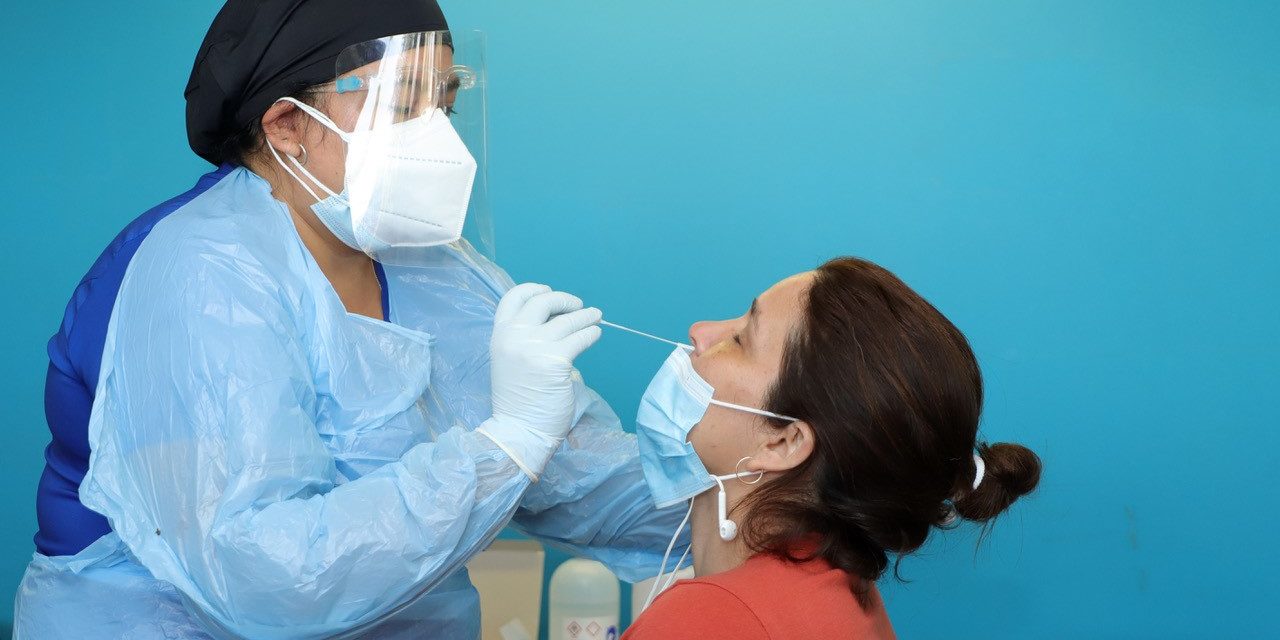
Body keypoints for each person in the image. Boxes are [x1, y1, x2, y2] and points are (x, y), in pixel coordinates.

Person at [15, 1, 685, 638]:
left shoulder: (433, 265)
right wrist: (503, 447)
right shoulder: (200, 274)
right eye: (401, 103)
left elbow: (580, 481)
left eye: (444, 103)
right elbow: (257, 575)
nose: (437, 136)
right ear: (286, 126)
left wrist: (754, 490)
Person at [621, 257, 1043, 639]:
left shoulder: (710, 619)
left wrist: (549, 454)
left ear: (784, 441)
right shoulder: (842, 592)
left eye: (741, 339)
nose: (700, 331)